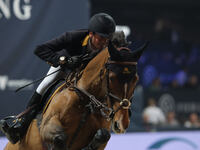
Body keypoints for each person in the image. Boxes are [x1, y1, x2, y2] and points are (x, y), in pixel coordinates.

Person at [0, 13, 116, 144]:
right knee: (44, 85)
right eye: (101, 38)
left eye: (107, 38)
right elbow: (40, 50)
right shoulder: (73, 37)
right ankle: (20, 126)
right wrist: (64, 60)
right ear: (91, 34)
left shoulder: (108, 46)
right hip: (65, 69)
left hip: (86, 78)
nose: (104, 42)